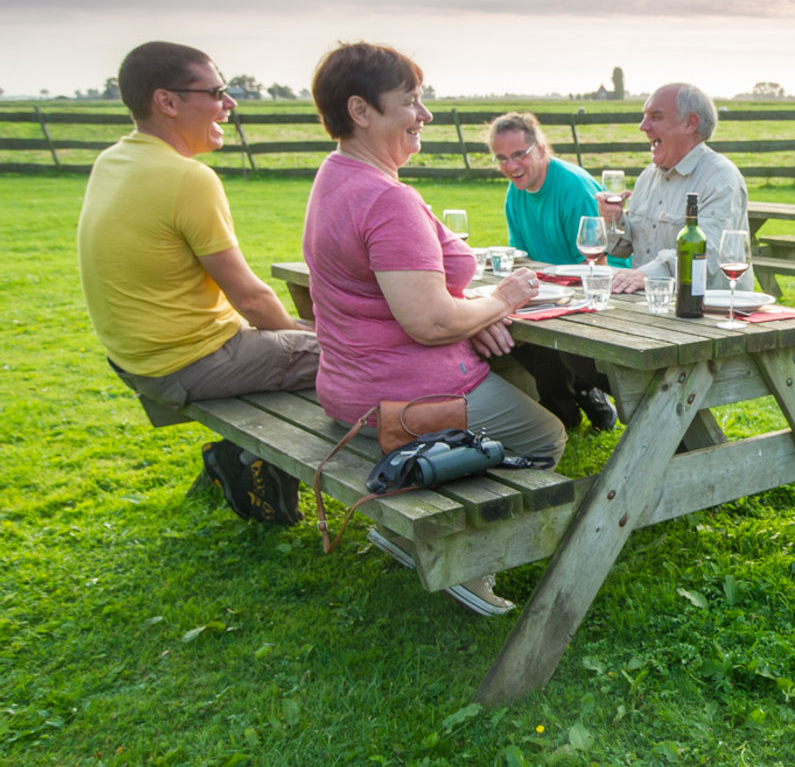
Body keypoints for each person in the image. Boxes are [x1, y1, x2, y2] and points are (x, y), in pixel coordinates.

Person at [303, 42, 567, 615]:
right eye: (411, 102)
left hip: (352, 389)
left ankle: (412, 523)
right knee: (546, 437)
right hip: (404, 399)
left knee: (518, 380)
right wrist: (499, 300)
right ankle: (468, 559)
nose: (424, 115)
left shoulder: (335, 177)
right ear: (361, 110)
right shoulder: (385, 198)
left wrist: (475, 314)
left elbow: (408, 299)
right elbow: (428, 321)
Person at [77, 41, 319, 526]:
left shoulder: (115, 159)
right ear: (167, 102)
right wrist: (309, 334)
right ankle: (257, 465)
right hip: (185, 363)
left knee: (308, 344)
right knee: (360, 356)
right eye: (217, 92)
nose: (229, 104)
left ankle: (245, 460)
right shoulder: (187, 177)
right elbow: (250, 296)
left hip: (138, 360)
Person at [490, 112, 616, 431]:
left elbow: (598, 261)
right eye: (502, 158)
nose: (511, 166)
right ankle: (578, 397)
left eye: (519, 154)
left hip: (603, 288)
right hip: (550, 289)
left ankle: (564, 407)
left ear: (542, 148)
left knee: (540, 324)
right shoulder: (514, 192)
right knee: (500, 323)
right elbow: (522, 255)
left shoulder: (574, 187)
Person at [598, 83, 752, 294]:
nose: (643, 126)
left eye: (656, 117)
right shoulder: (648, 176)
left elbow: (706, 254)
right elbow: (622, 249)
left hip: (711, 314)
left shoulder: (721, 179)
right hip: (652, 308)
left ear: (690, 123)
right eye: (644, 117)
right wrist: (613, 220)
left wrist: (645, 276)